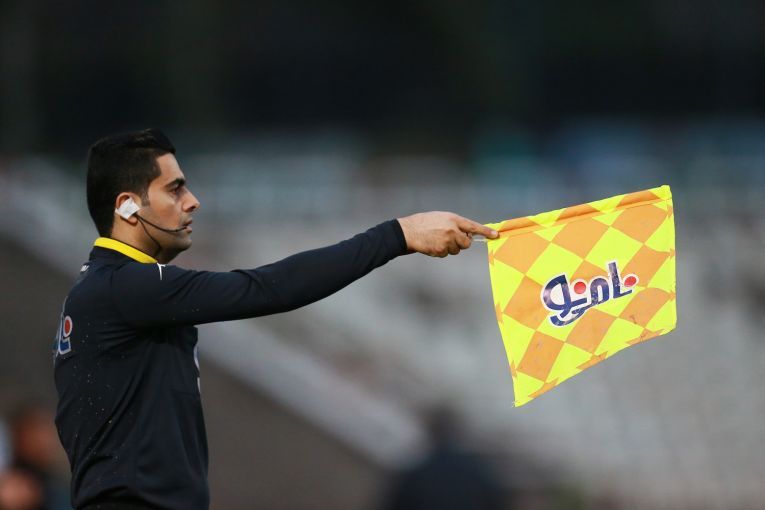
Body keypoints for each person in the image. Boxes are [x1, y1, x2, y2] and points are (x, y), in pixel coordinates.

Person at [52, 128, 498, 510]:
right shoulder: (127, 287)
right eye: (175, 189)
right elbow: (269, 288)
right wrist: (398, 235)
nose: (193, 202)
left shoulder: (108, 290)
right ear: (127, 206)